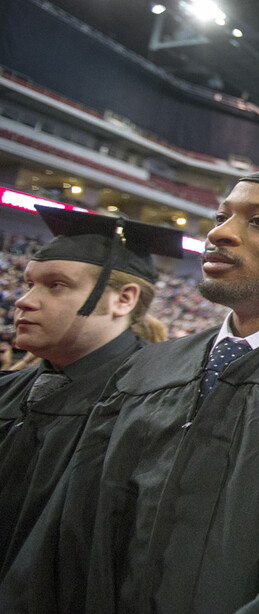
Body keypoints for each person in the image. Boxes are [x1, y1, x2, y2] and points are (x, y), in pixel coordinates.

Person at [1, 116, 259, 613]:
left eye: (258, 221)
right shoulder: (147, 369)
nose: (219, 233)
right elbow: (72, 535)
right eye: (223, 216)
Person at [0, 207, 181, 579]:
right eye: (29, 282)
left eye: (56, 285)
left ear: (124, 299)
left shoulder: (164, 405)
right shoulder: (7, 392)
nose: (24, 300)